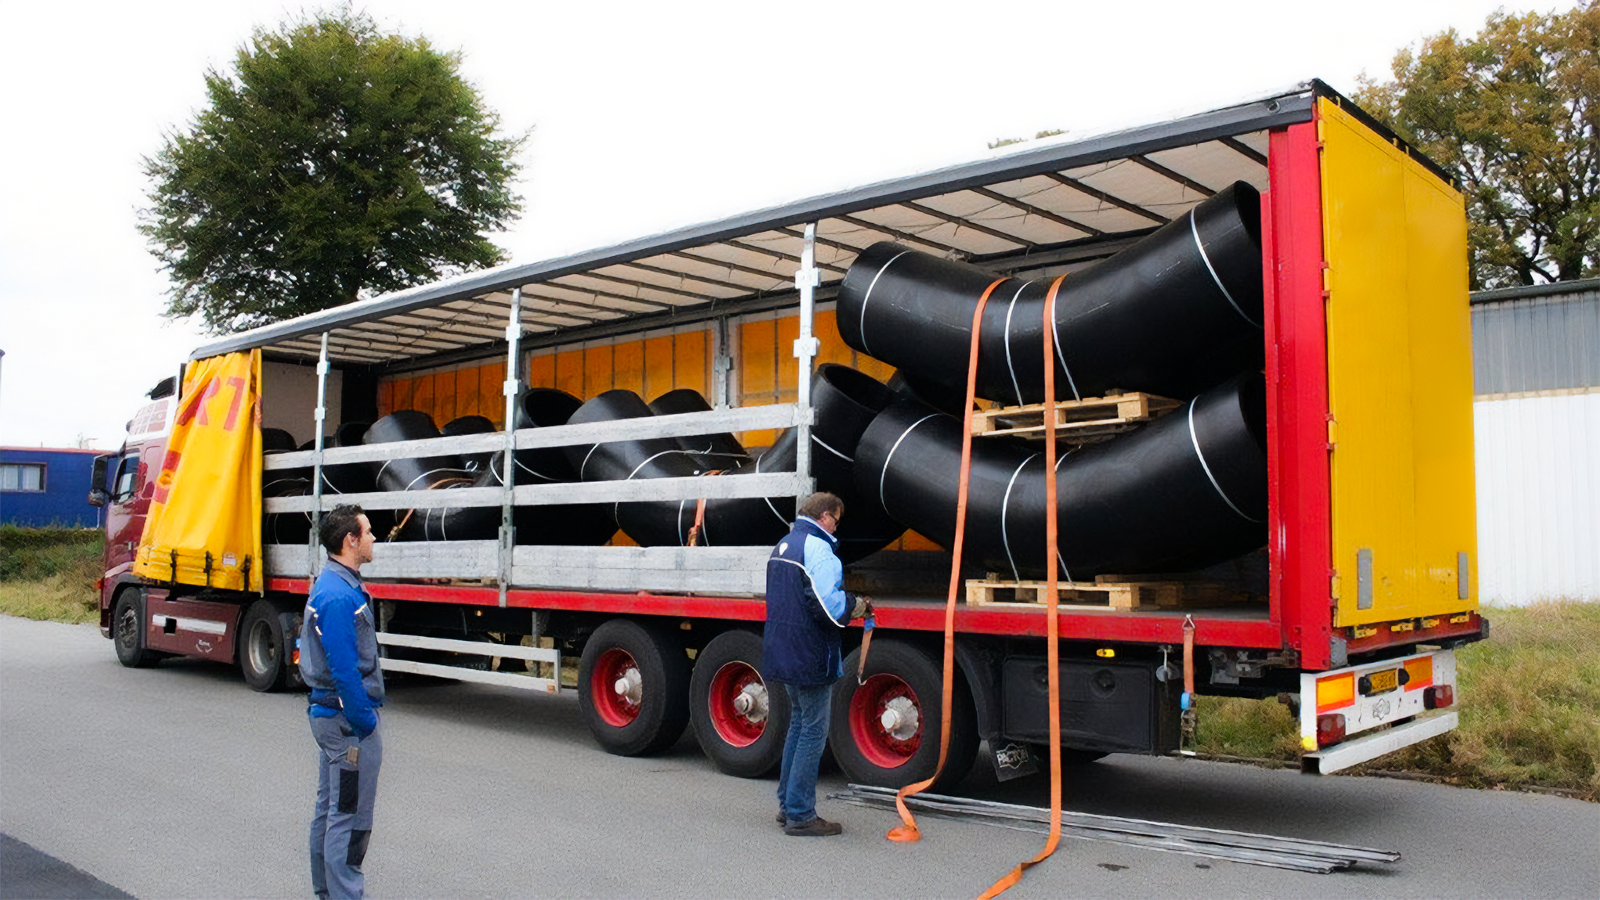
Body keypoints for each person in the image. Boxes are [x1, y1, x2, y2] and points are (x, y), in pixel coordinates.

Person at [763, 492, 871, 837]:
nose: (836, 528)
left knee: (799, 725)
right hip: (810, 654)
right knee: (812, 731)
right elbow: (830, 607)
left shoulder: (783, 544)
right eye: (837, 520)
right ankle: (800, 814)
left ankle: (787, 806)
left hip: (785, 650)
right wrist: (858, 605)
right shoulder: (818, 549)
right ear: (825, 516)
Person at [299, 504, 385, 899]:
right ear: (350, 541)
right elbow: (345, 670)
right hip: (347, 722)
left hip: (335, 718)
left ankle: (327, 893)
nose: (372, 538)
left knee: (331, 809)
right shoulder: (336, 595)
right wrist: (364, 722)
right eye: (367, 532)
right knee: (348, 819)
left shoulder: (340, 584)